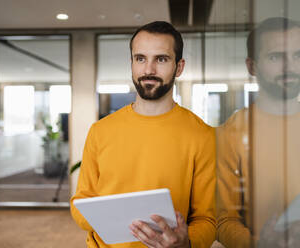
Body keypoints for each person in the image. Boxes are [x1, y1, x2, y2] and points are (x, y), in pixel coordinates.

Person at [71, 21, 216, 248]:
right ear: (132, 63)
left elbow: (207, 219)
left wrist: (186, 243)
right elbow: (81, 201)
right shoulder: (100, 130)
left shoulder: (203, 136)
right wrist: (104, 219)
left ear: (179, 67)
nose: (149, 70)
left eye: (161, 59)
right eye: (140, 58)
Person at [216, 17, 300, 248]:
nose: (290, 67)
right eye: (275, 57)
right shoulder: (230, 134)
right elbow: (223, 221)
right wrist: (260, 244)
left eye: (298, 55)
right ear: (252, 66)